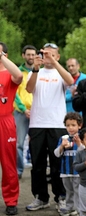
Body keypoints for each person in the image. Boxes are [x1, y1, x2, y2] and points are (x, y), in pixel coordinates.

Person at [25, 43, 74, 212]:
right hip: (38, 123)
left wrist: (54, 62)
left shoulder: (59, 72)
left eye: (51, 54)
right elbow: (29, 89)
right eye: (45, 54)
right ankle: (40, 197)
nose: (47, 57)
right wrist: (36, 69)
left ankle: (60, 196)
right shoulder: (35, 72)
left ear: (57, 56)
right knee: (37, 163)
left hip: (57, 124)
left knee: (57, 163)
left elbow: (70, 80)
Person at [0, 42, 23, 215]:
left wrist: (0, 56)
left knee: (8, 163)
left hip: (5, 121)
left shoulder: (9, 73)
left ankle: (11, 200)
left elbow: (19, 76)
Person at [54, 112, 84, 216]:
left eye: (73, 125)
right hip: (65, 170)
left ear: (79, 126)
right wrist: (62, 146)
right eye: (68, 125)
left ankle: (80, 210)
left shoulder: (82, 138)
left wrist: (79, 143)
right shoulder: (63, 139)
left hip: (77, 171)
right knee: (68, 190)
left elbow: (85, 152)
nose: (70, 128)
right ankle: (69, 207)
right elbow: (57, 154)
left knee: (78, 190)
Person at [13, 45, 36, 179]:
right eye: (28, 54)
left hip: (37, 113)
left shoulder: (40, 72)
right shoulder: (17, 72)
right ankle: (19, 171)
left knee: (38, 144)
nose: (31, 57)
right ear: (23, 55)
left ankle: (38, 171)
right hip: (21, 113)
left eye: (33, 54)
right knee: (18, 144)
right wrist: (24, 109)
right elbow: (14, 94)